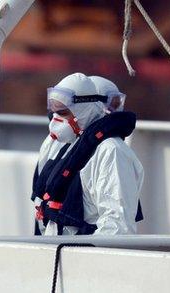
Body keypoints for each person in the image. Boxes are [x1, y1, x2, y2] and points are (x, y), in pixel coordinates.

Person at [31, 72, 144, 235]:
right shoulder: (70, 146)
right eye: (55, 110)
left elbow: (118, 226)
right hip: (57, 250)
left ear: (86, 109)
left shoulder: (111, 151)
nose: (56, 119)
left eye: (63, 112)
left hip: (80, 255)